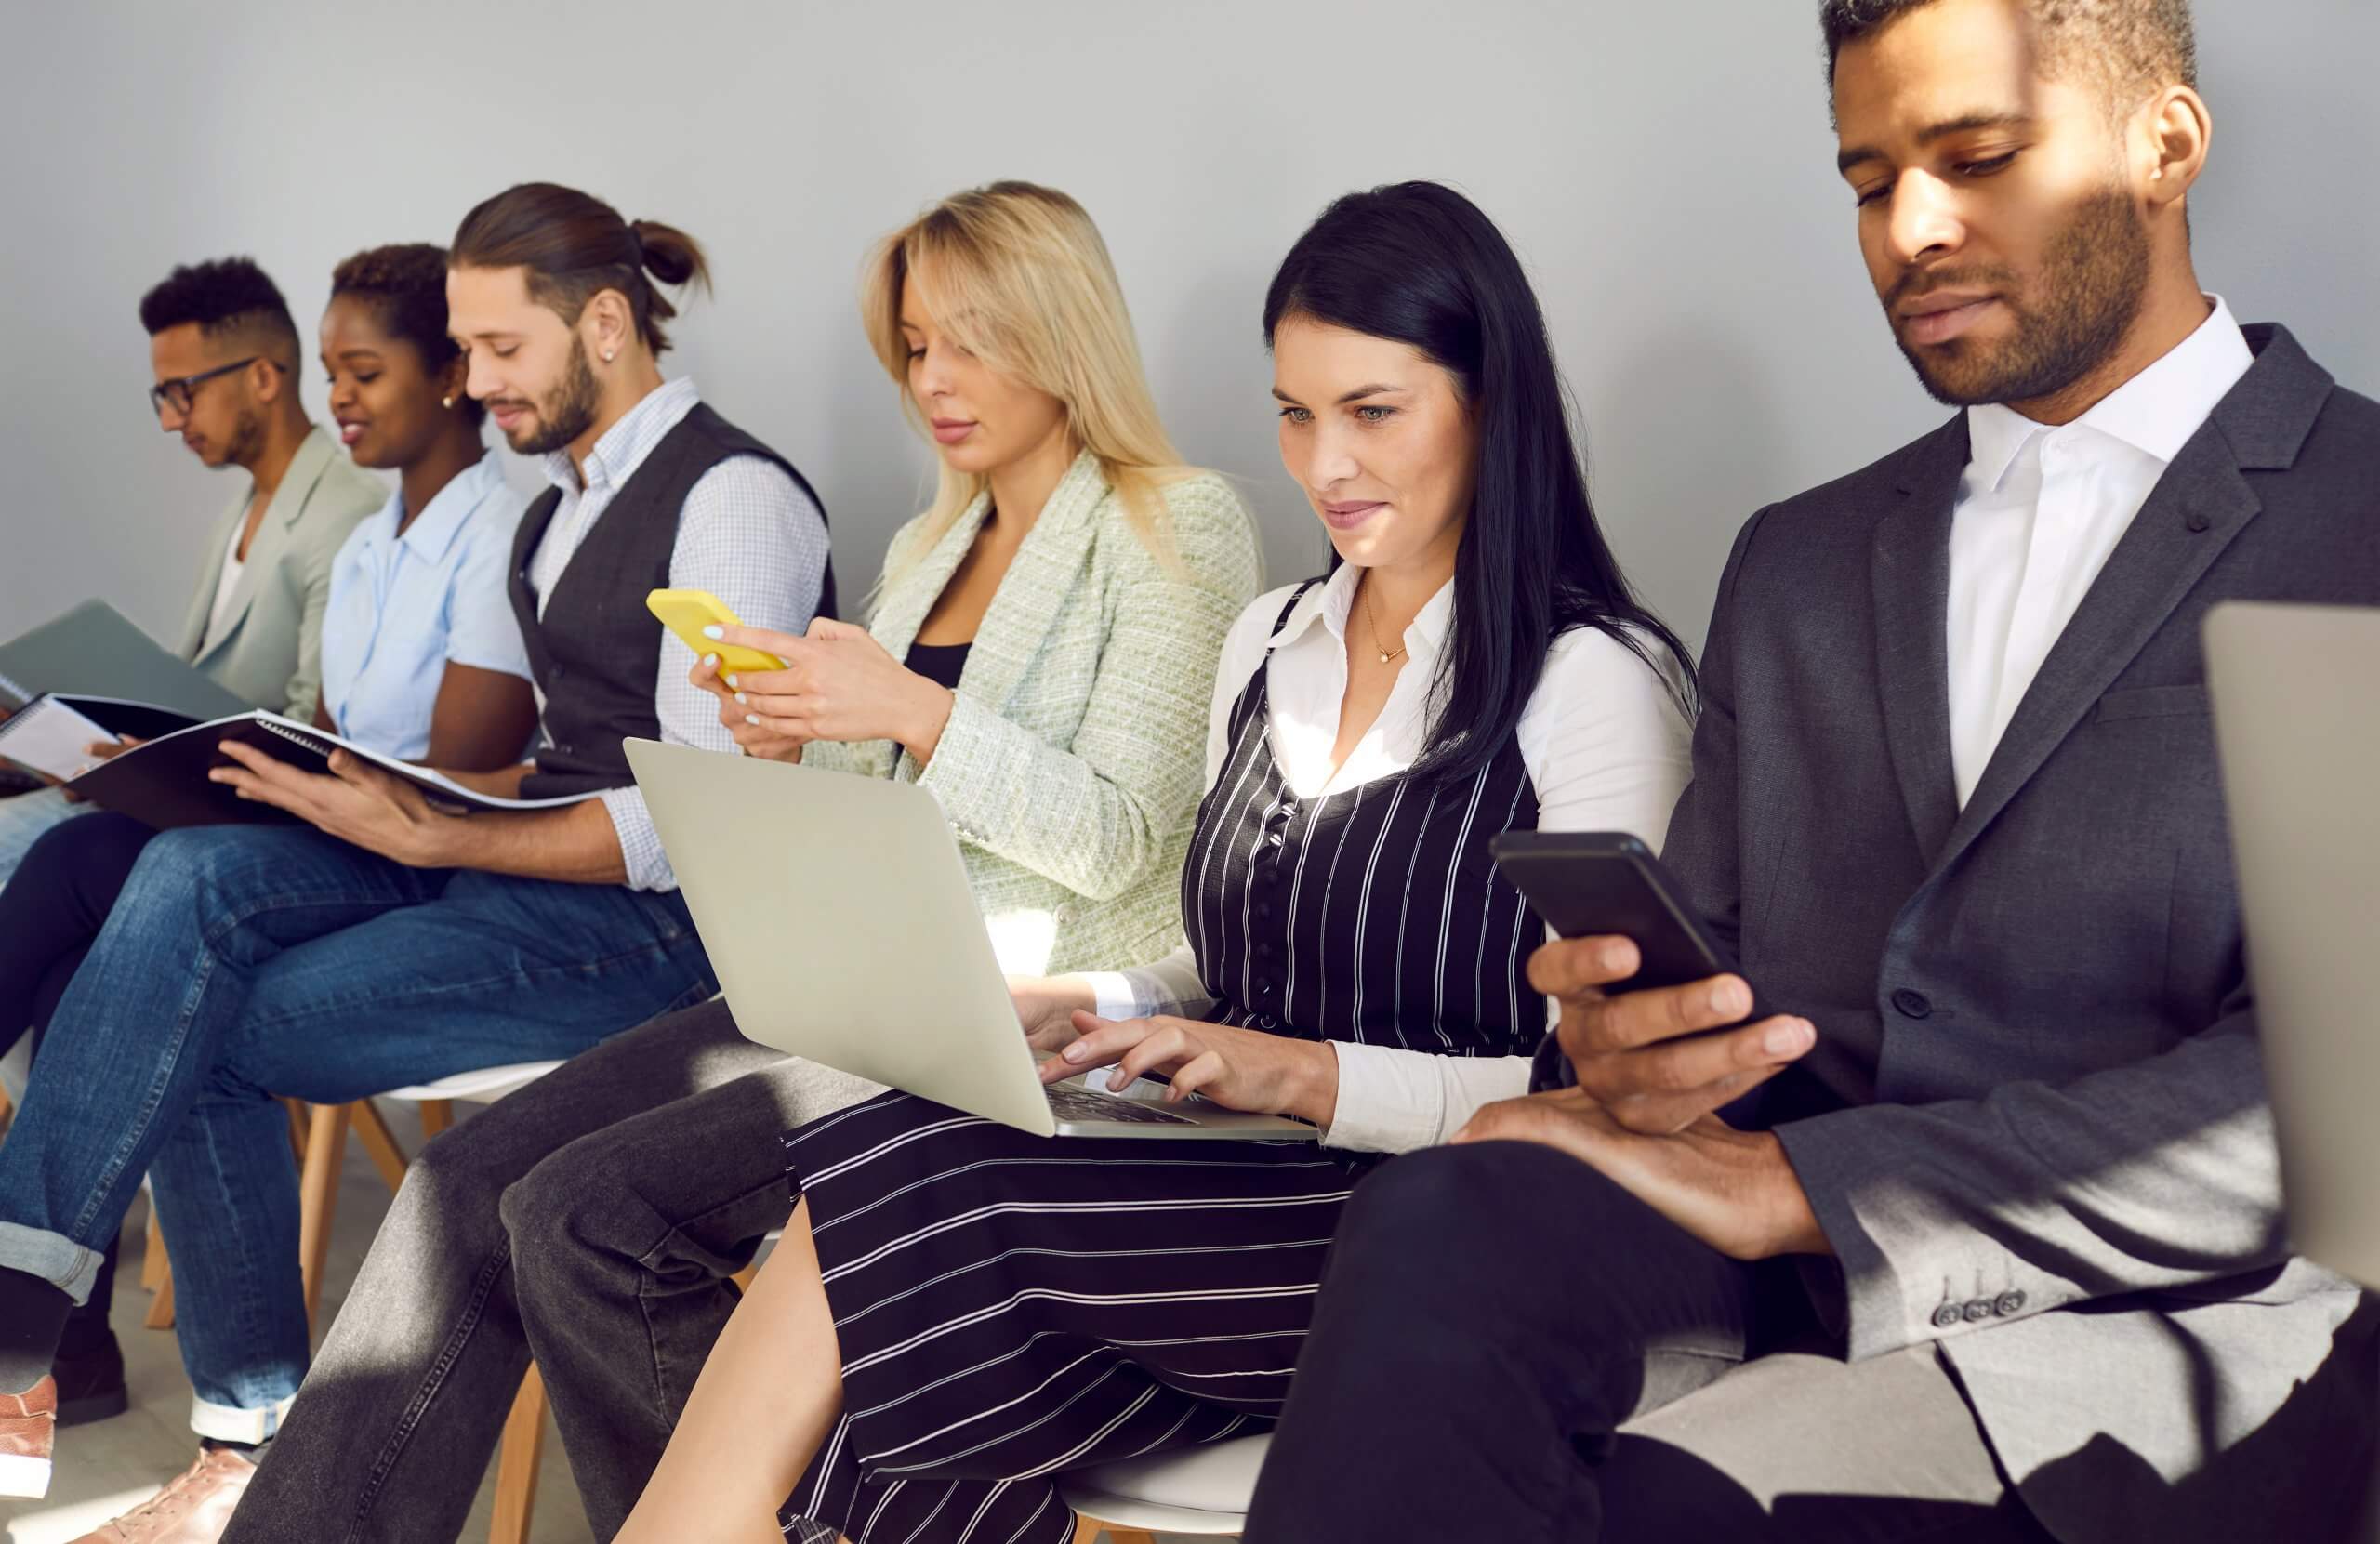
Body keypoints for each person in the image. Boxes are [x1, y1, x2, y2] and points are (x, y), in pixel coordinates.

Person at [1240, 4, 2380, 1542]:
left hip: (2178, 1310)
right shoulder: (1800, 558)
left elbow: (2323, 1105)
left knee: (1680, 1496)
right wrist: (1634, 1049)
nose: (1912, 228)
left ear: (2165, 145)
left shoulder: (2358, 522)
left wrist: (1808, 1190)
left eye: (1975, 157)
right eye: (1867, 181)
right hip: (1777, 1235)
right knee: (1438, 1219)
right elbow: (1717, 975)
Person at [613, 180, 1699, 1544]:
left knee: (935, 1207)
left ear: (1492, 404)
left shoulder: (1593, 685)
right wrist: (1115, 1006)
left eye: (1375, 411)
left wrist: (1302, 1072)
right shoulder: (1270, 642)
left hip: (1444, 1225)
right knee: (930, 1274)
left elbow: (1601, 1093)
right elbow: (1236, 949)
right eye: (1296, 415)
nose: (1326, 465)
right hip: (1232, 1175)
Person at [218, 178, 1262, 1544]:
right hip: (855, 979)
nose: (930, 382)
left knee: (587, 1218)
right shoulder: (926, 543)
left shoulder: (1175, 523)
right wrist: (785, 756)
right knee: (460, 1186)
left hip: (1016, 1008)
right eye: (913, 348)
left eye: (966, 342)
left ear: (1061, 332)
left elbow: (1126, 831)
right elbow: (879, 812)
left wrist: (911, 710)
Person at [0, 182, 831, 1520]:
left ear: (605, 325)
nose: (478, 378)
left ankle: (230, 1448)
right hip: (521, 863)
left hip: (667, 935)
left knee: (190, 1018)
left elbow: (698, 824)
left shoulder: (730, 500)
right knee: (186, 876)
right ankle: (61, 1319)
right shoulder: (563, 510)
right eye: (468, 348)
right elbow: (550, 766)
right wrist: (380, 793)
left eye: (502, 349)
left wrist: (445, 823)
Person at [0, 241, 536, 1447]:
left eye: (359, 370)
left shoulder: (497, 528)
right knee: (79, 874)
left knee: (122, 884)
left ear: (449, 374)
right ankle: (56, 1333)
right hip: (317, 822)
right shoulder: (369, 547)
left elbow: (437, 795)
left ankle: (41, 1324)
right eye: (334, 372)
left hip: (419, 856)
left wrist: (257, 778)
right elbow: (335, 733)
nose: (338, 397)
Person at [0, 257, 382, 882]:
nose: (172, 419)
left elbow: (314, 740)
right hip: (149, 795)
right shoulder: (241, 508)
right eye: (164, 396)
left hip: (223, 818)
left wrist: (149, 769)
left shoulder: (348, 514)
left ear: (262, 377)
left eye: (184, 393)